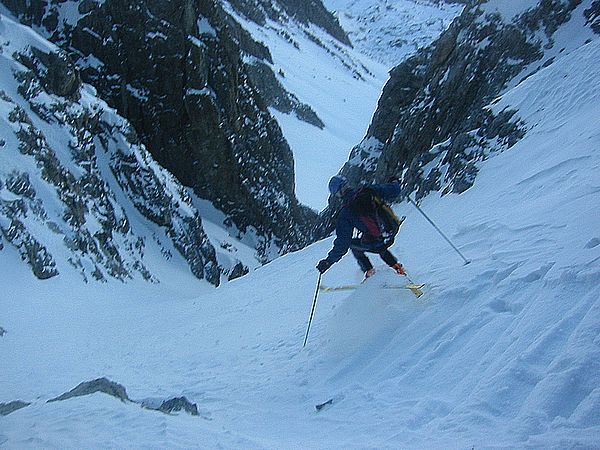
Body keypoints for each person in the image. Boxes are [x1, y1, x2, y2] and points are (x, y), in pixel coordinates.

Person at [316, 175, 406, 279]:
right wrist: (395, 182)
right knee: (378, 241)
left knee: (355, 245)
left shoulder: (346, 212)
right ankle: (397, 267)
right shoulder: (368, 191)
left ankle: (370, 272)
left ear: (338, 193)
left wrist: (328, 261)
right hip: (391, 231)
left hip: (378, 241)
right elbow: (395, 190)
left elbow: (343, 243)